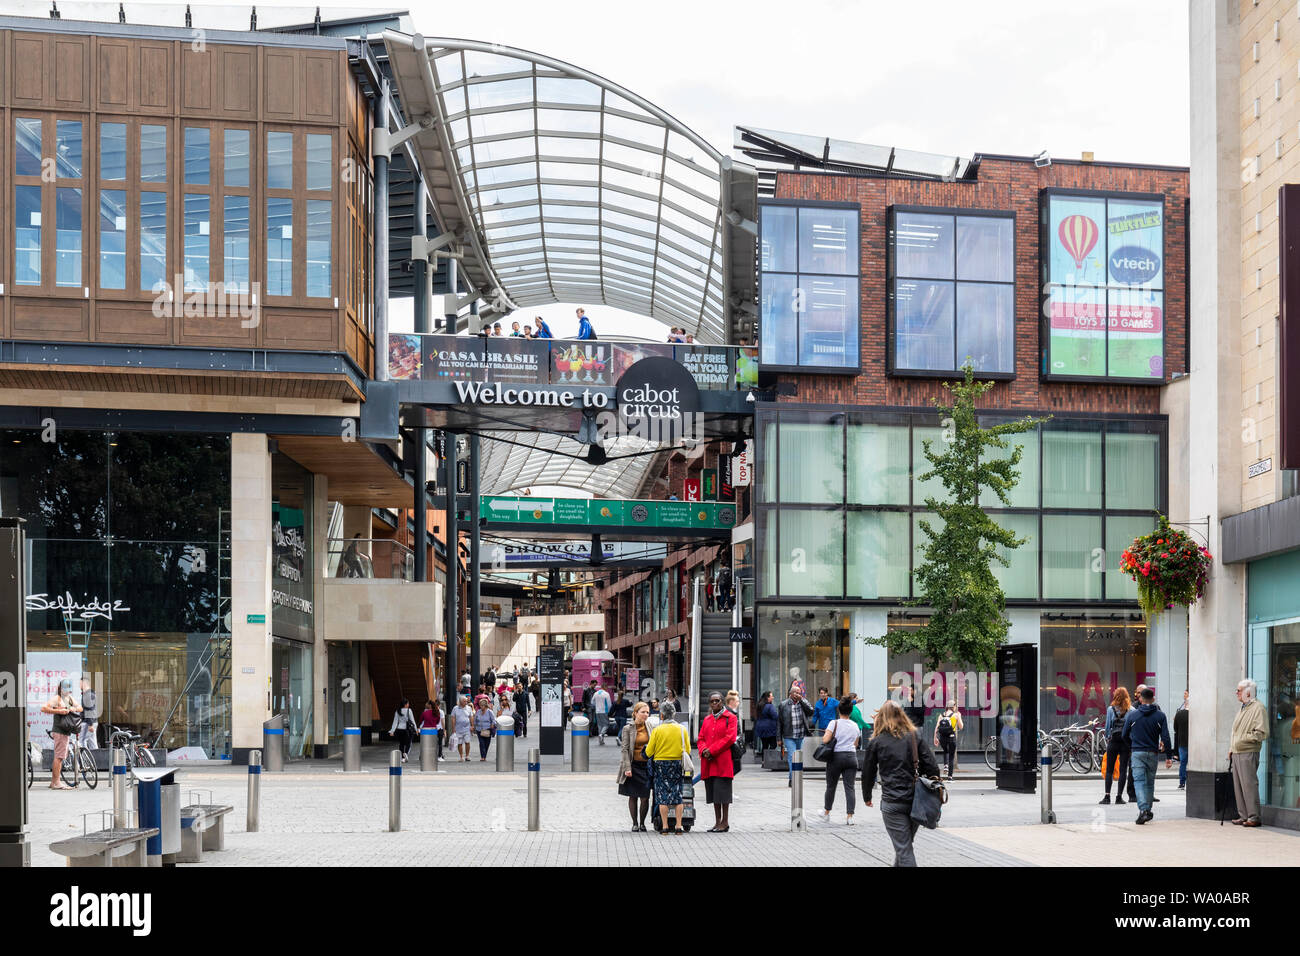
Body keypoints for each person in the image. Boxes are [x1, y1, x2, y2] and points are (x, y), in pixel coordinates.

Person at [862, 699, 941, 866]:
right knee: (904, 847)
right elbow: (932, 766)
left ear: (881, 717)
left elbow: (868, 772)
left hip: (892, 802)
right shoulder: (914, 736)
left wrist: (867, 795)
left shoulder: (877, 741)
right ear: (902, 716)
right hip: (915, 801)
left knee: (903, 848)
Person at [1122, 686, 1172, 825]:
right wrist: (1169, 756)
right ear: (1153, 699)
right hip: (1153, 752)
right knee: (1150, 783)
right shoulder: (1160, 716)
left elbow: (1124, 735)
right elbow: (1166, 737)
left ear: (1140, 699)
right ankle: (1147, 810)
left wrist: (1132, 746)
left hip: (1137, 752)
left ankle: (1143, 810)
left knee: (1138, 781)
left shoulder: (1132, 715)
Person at [644, 702, 690, 834]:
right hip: (676, 764)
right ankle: (678, 826)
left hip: (661, 765)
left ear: (662, 715)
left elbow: (649, 752)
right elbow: (687, 749)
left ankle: (664, 826)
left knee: (662, 796)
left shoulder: (657, 730)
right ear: (674, 714)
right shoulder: (682, 729)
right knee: (678, 795)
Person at [1229, 678, 1268, 827]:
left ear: (1248, 692)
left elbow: (1261, 732)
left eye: (1239, 691)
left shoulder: (1258, 708)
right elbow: (1235, 731)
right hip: (1238, 751)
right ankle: (1243, 815)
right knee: (1238, 785)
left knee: (1249, 784)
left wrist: (1242, 740)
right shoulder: (1243, 708)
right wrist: (1231, 747)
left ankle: (1254, 816)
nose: (1236, 693)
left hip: (1248, 751)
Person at [698, 692, 738, 832]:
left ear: (722, 702)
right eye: (712, 701)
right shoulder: (707, 719)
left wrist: (712, 750)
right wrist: (704, 750)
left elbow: (730, 738)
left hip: (723, 761)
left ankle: (725, 821)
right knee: (714, 792)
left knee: (724, 792)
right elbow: (701, 737)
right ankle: (717, 821)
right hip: (709, 761)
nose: (714, 703)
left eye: (717, 701)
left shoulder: (731, 718)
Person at [820, 698, 862, 824]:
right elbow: (855, 744)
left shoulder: (834, 723)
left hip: (836, 757)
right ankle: (850, 817)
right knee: (850, 787)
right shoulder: (855, 725)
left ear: (839, 710)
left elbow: (825, 740)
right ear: (850, 711)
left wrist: (829, 735)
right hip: (851, 757)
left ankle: (826, 813)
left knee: (831, 786)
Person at [40, 678, 82, 790]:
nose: (68, 690)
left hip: (65, 731)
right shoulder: (57, 698)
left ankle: (53, 782)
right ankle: (56, 783)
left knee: (59, 756)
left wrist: (72, 708)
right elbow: (43, 708)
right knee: (59, 757)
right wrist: (59, 711)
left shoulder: (69, 698)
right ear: (60, 688)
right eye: (65, 687)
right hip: (60, 731)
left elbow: (80, 708)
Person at [618, 701, 653, 831]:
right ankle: (635, 823)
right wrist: (627, 768)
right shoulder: (628, 728)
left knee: (645, 796)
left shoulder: (650, 726)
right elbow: (625, 749)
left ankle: (643, 823)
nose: (645, 715)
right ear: (635, 713)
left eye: (647, 712)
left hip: (646, 766)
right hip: (633, 766)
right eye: (643, 712)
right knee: (633, 795)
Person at [1100, 687, 1133, 806]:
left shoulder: (1110, 709)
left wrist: (1108, 738)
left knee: (1109, 769)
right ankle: (1119, 796)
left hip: (1114, 741)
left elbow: (1108, 726)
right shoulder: (1131, 710)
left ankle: (1107, 796)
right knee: (1123, 770)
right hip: (1125, 742)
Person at [779, 682, 816, 783]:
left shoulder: (803, 702)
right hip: (789, 735)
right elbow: (779, 722)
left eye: (799, 693)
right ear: (790, 693)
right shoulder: (783, 705)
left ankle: (797, 777)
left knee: (798, 757)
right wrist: (779, 738)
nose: (798, 695)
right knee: (792, 756)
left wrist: (802, 700)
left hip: (800, 734)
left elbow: (811, 711)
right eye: (796, 692)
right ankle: (793, 779)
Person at [933, 700, 963, 780]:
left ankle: (945, 765)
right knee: (951, 756)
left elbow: (937, 727)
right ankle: (950, 777)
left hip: (942, 738)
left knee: (945, 751)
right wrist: (959, 717)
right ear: (953, 706)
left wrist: (935, 738)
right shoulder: (956, 715)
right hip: (951, 737)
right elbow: (961, 727)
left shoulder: (941, 715)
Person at [389, 697, 418, 763]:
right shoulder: (409, 710)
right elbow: (413, 721)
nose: (408, 705)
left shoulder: (397, 711)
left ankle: (402, 757)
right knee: (409, 742)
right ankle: (406, 754)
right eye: (408, 703)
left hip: (399, 729)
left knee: (401, 744)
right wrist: (416, 729)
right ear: (405, 704)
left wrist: (392, 731)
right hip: (407, 730)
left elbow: (395, 722)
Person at [754, 690, 779, 758]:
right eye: (771, 696)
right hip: (770, 728)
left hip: (760, 728)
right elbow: (775, 716)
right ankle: (769, 760)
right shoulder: (770, 706)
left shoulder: (759, 705)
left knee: (764, 745)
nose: (773, 697)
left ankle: (763, 760)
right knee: (773, 744)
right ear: (767, 698)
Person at [473, 696, 498, 762]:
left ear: (485, 705)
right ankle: (482, 757)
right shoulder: (478, 711)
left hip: (487, 729)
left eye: (482, 705)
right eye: (480, 705)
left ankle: (484, 755)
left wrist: (493, 724)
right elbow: (475, 719)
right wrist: (474, 726)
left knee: (486, 743)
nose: (481, 707)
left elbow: (494, 720)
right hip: (479, 730)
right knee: (481, 743)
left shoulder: (490, 712)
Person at [450, 696, 475, 761]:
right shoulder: (455, 708)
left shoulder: (469, 708)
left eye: (466, 701)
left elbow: (471, 717)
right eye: (464, 701)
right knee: (459, 743)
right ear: (460, 702)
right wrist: (453, 728)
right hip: (458, 728)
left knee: (467, 742)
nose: (466, 702)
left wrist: (472, 726)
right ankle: (461, 757)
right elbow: (453, 718)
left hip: (467, 728)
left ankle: (467, 756)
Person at [78, 676, 98, 750]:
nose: (79, 685)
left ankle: (83, 760)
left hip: (88, 722)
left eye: (80, 683)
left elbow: (90, 709)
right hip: (91, 722)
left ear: (84, 683)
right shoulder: (89, 694)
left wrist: (90, 724)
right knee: (92, 743)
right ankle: (96, 759)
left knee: (82, 741)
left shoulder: (88, 695)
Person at [1174, 690, 1189, 790]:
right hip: (1193, 743)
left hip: (1182, 742)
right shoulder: (1196, 715)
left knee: (1183, 763)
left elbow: (1175, 729)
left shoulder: (1179, 714)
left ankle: (1182, 782)